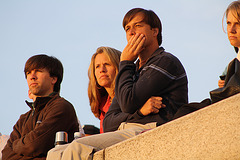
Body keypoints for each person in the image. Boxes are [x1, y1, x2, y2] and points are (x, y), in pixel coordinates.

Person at [47, 8, 188, 160]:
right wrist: (140, 112)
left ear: (154, 31)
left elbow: (127, 103)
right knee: (55, 153)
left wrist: (126, 61)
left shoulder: (164, 61)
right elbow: (108, 122)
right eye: (127, 28)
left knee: (78, 147)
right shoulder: (132, 70)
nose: (131, 32)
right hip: (126, 129)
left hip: (152, 129)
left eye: (138, 26)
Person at [2, 54, 80, 160]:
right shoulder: (23, 119)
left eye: (38, 71)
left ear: (53, 79)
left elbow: (33, 145)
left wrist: (15, 145)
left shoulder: (61, 107)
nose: (32, 76)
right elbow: (6, 155)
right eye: (28, 73)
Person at [88, 47, 121, 133]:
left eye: (107, 64)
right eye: (97, 66)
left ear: (118, 67)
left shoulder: (129, 95)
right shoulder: (102, 106)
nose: (102, 70)